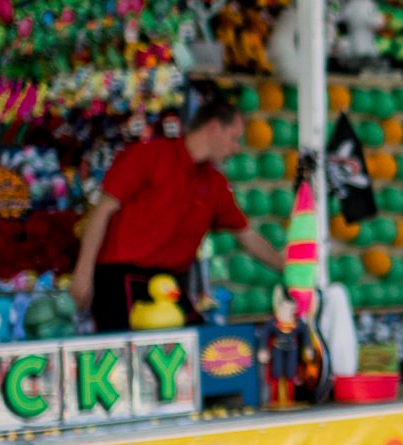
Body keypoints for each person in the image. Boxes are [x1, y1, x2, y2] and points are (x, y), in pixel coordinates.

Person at [71, 92, 283, 333]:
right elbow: (102, 212)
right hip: (121, 280)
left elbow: (247, 236)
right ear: (214, 127)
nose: (235, 149)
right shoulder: (149, 155)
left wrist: (288, 269)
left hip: (168, 283)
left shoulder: (214, 183)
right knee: (129, 362)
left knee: (199, 349)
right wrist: (83, 272)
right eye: (234, 138)